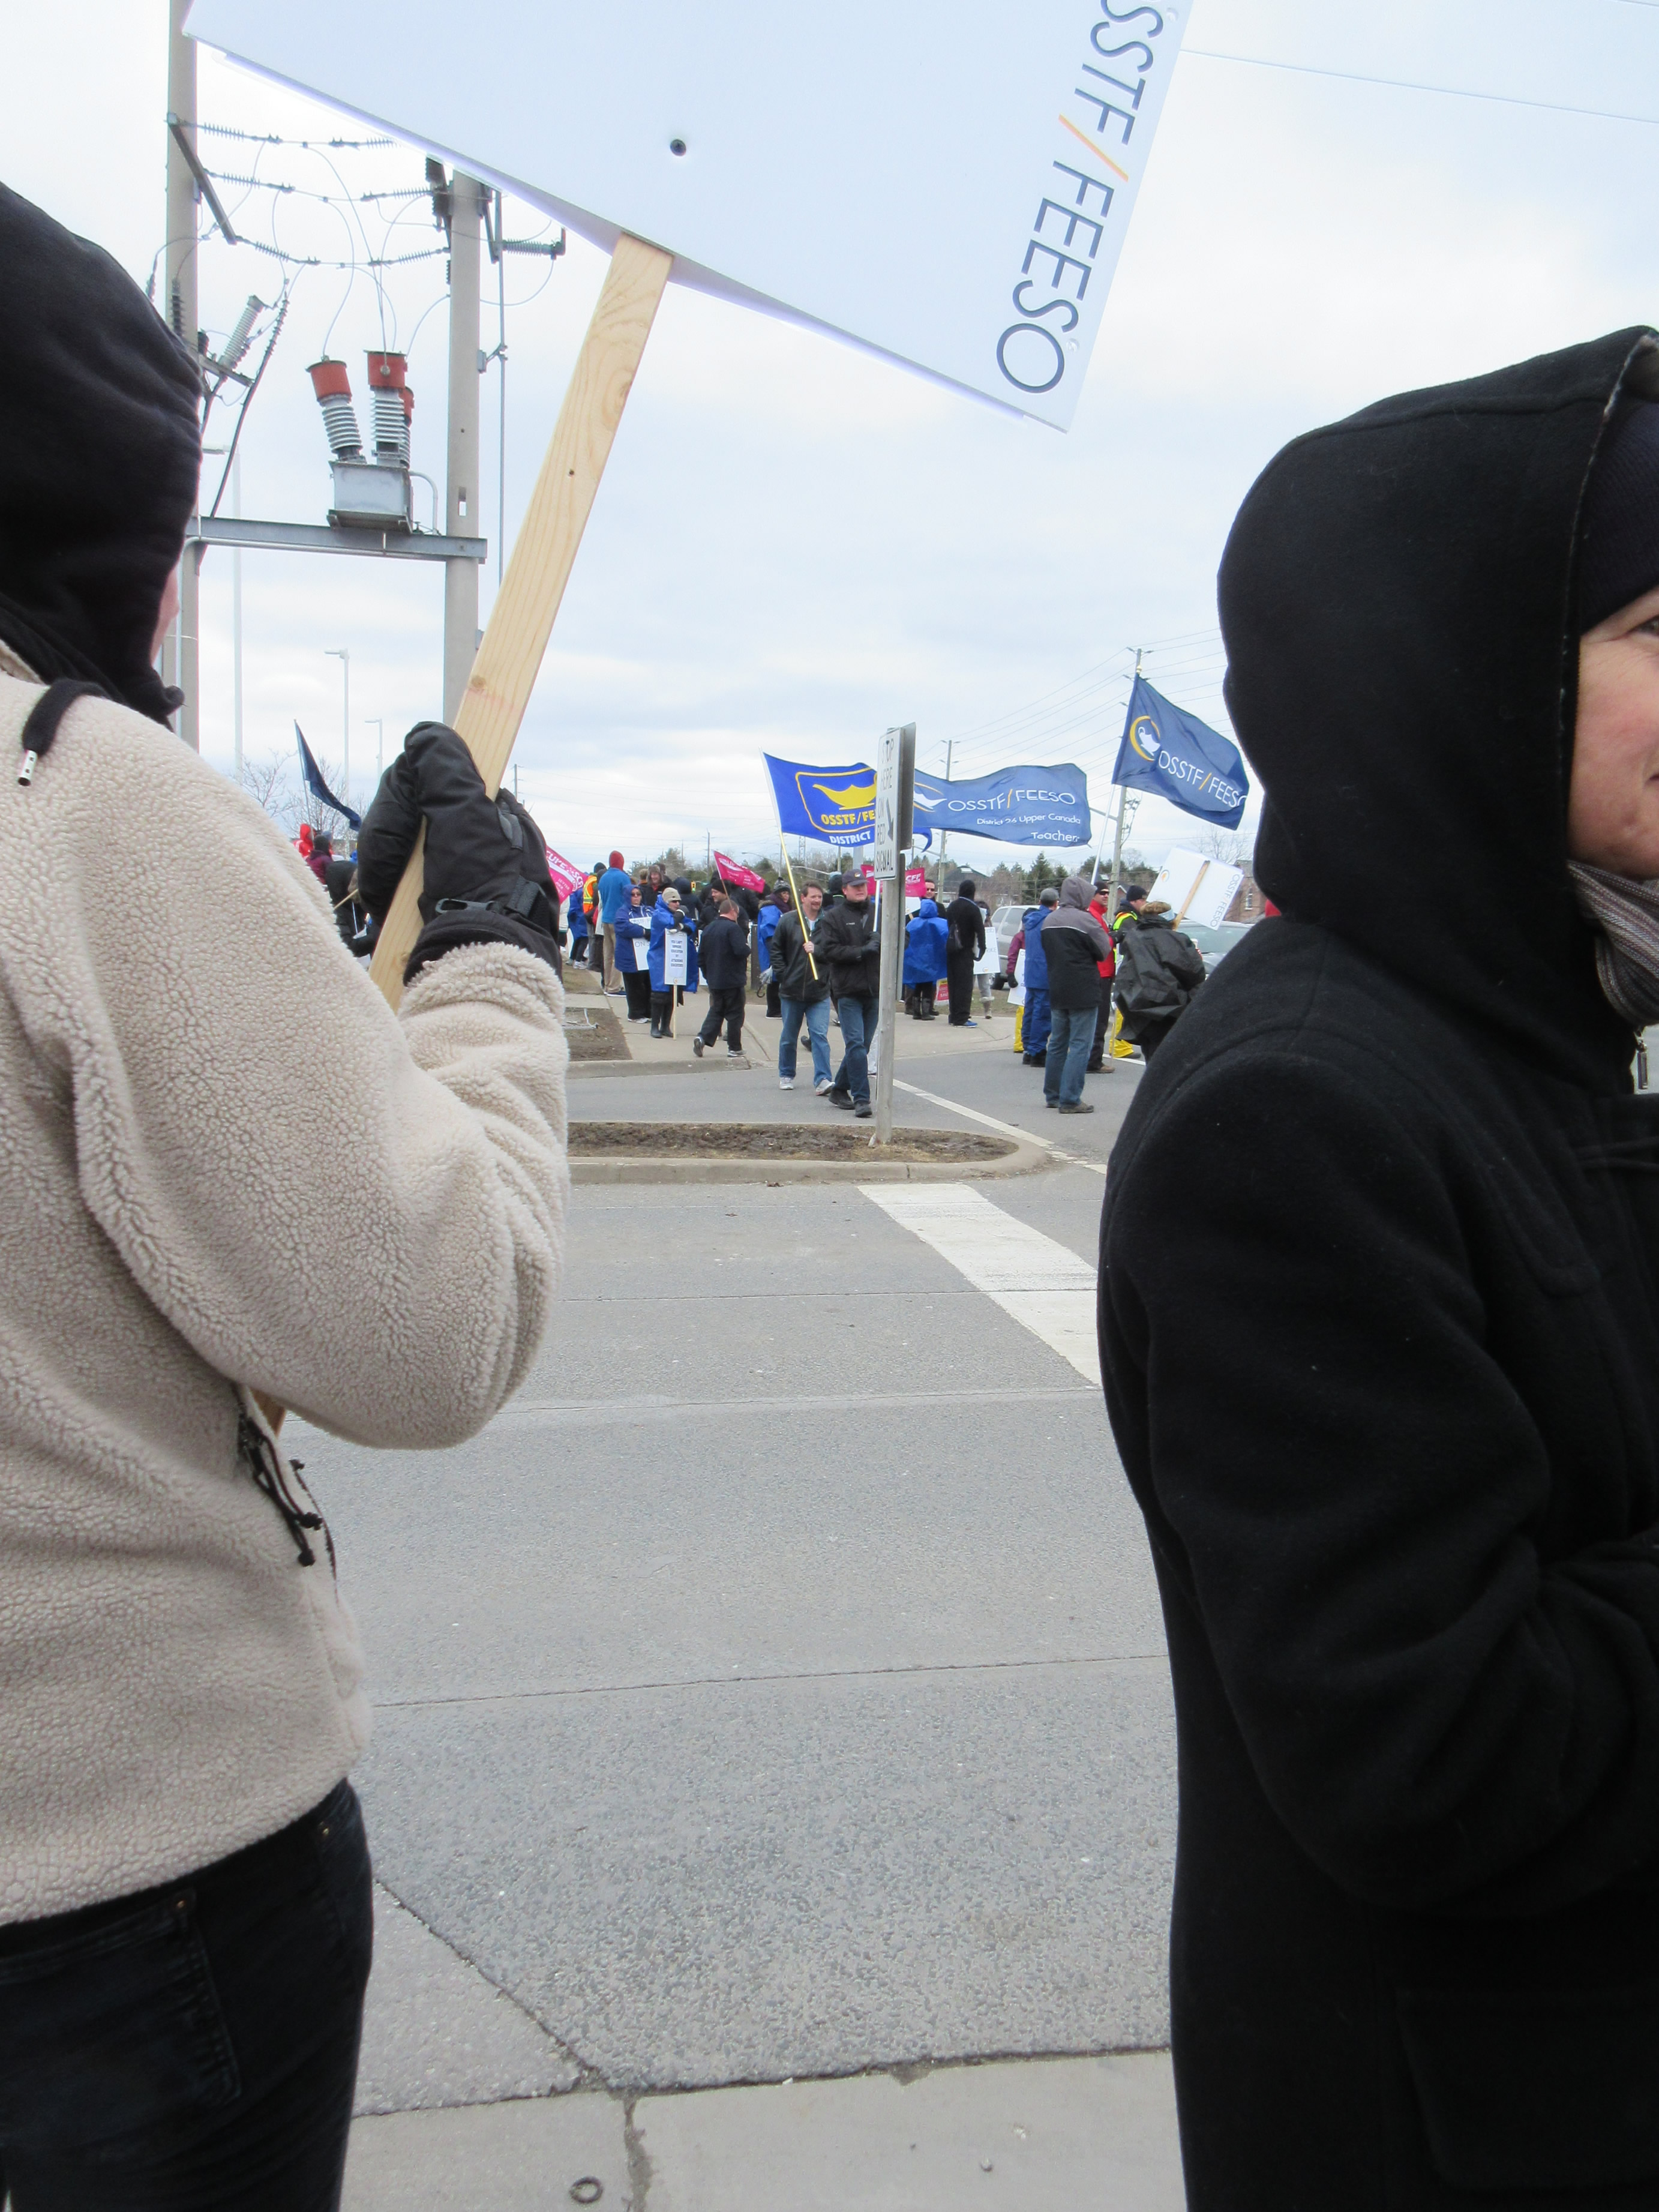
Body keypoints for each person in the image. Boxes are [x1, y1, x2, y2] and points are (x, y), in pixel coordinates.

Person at [0, 184, 568, 2210]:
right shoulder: (74, 793)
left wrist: (309, 953)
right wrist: (485, 962)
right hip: (108, 1878)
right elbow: (424, 1320)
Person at [1100, 327, 1659, 2211]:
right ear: (1469, 669)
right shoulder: (1303, 1106)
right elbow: (1438, 1751)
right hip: (1463, 2122)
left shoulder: (1554, 1015)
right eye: (1655, 633)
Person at [1037, 876, 1114, 1111]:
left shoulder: (1049, 921)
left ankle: (1053, 1095)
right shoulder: (1087, 920)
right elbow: (1104, 950)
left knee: (1058, 1043)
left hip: (1058, 986)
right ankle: (1071, 1099)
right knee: (1080, 1044)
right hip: (1084, 988)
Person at [816, 867, 880, 1116]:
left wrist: (882, 941)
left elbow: (902, 939)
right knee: (855, 1044)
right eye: (855, 887)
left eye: (863, 885)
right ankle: (862, 1099)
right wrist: (862, 951)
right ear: (845, 890)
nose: (860, 889)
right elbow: (829, 951)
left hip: (874, 989)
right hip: (848, 990)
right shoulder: (834, 917)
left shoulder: (878, 912)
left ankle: (840, 1088)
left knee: (862, 1045)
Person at [1113, 898, 1205, 1061]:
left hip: (1140, 1008)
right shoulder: (1178, 940)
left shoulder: (1133, 938)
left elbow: (1125, 974)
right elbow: (1195, 974)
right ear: (1170, 918)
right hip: (1171, 1010)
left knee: (1152, 1058)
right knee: (1170, 1062)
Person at [774, 881, 832, 1092]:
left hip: (819, 991)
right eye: (813, 896)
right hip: (792, 991)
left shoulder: (828, 923)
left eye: (820, 897)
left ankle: (823, 1079)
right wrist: (784, 975)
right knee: (789, 1037)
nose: (817, 900)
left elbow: (834, 952)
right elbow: (776, 951)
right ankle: (786, 1074)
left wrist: (817, 950)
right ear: (803, 898)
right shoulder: (788, 921)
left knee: (819, 1036)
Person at [695, 895, 749, 1059]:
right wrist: (747, 948)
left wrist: (708, 975)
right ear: (732, 911)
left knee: (717, 1010)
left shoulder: (708, 929)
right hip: (733, 980)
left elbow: (701, 957)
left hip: (715, 980)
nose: (738, 917)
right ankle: (734, 1047)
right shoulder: (733, 929)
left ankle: (702, 1038)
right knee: (735, 1013)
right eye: (737, 913)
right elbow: (741, 951)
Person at [647, 883, 699, 1036]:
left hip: (675, 957)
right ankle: (654, 1027)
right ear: (666, 901)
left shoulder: (675, 913)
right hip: (660, 958)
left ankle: (665, 1026)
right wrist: (681, 916)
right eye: (674, 901)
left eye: (679, 901)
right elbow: (670, 924)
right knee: (659, 994)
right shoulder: (659, 914)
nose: (677, 904)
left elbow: (691, 926)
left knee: (672, 993)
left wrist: (682, 926)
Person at [1018, 886, 1058, 1063]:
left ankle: (1028, 1047)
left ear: (1040, 901)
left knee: (1031, 1009)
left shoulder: (1030, 920)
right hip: (1045, 971)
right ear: (1056, 903)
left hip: (1031, 969)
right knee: (1042, 1012)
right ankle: (1037, 1050)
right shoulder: (1051, 921)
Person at [944, 878, 986, 1026]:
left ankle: (953, 1015)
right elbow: (980, 930)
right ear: (973, 892)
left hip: (951, 949)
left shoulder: (952, 906)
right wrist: (982, 948)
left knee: (953, 983)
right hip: (965, 950)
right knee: (965, 985)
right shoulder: (973, 908)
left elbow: (949, 926)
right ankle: (962, 1017)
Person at [1084, 883, 1117, 1071]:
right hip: (1100, 972)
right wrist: (1114, 938)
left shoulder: (1099, 915)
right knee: (1099, 1018)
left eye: (1108, 893)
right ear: (1092, 895)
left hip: (1104, 971)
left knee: (1099, 1017)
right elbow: (1099, 942)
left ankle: (1092, 1057)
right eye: (1102, 893)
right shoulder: (1092, 915)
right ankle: (1093, 1060)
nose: (1106, 896)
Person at [613, 880, 653, 1020]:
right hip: (630, 956)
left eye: (638, 894)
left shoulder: (648, 910)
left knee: (648, 985)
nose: (636, 897)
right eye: (633, 895)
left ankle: (649, 1012)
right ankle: (635, 1014)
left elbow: (658, 922)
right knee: (635, 987)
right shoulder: (622, 912)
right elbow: (623, 926)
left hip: (647, 956)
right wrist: (644, 932)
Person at [903, 895, 949, 1017]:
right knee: (928, 986)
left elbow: (906, 939)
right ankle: (926, 1012)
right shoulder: (941, 923)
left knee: (917, 985)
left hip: (915, 961)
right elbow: (946, 938)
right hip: (932, 961)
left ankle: (916, 1012)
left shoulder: (913, 923)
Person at [596, 849, 631, 991]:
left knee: (607, 954)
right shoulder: (623, 878)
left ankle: (607, 983)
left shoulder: (604, 877)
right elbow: (629, 898)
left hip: (605, 918)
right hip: (619, 920)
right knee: (619, 954)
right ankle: (614, 986)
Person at [757, 882, 789, 1018]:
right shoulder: (770, 909)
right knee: (775, 979)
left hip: (778, 948)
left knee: (777, 978)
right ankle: (774, 1010)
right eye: (783, 893)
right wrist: (776, 951)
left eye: (788, 893)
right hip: (774, 948)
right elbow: (769, 931)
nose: (786, 896)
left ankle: (778, 1008)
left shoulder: (780, 908)